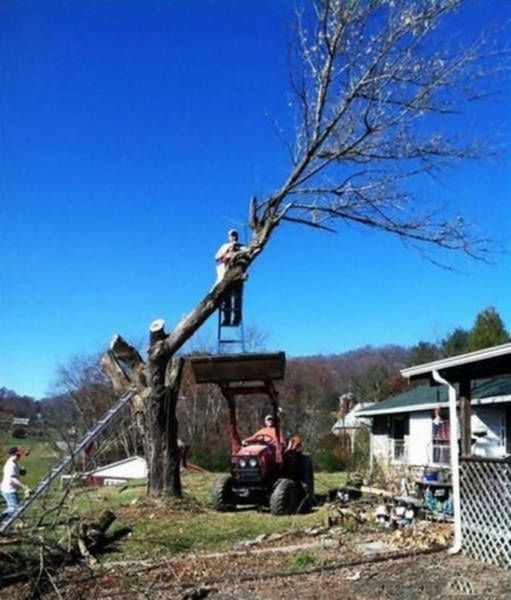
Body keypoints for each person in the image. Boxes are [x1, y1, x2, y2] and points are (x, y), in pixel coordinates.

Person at [215, 229, 246, 326]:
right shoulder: (224, 246)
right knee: (226, 297)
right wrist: (226, 254)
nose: (233, 237)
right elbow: (216, 258)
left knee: (237, 298)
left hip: (238, 275)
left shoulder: (243, 247)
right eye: (231, 235)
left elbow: (248, 256)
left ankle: (237, 319)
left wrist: (238, 252)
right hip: (226, 274)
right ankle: (227, 319)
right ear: (228, 237)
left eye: (235, 235)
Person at [1, 447, 29, 519]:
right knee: (13, 508)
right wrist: (23, 487)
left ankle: (5, 520)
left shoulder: (14, 463)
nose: (19, 457)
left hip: (10, 489)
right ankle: (2, 519)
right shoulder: (11, 465)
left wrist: (22, 471)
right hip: (9, 489)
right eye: (18, 455)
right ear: (13, 455)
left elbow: (17, 472)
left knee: (16, 507)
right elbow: (12, 478)